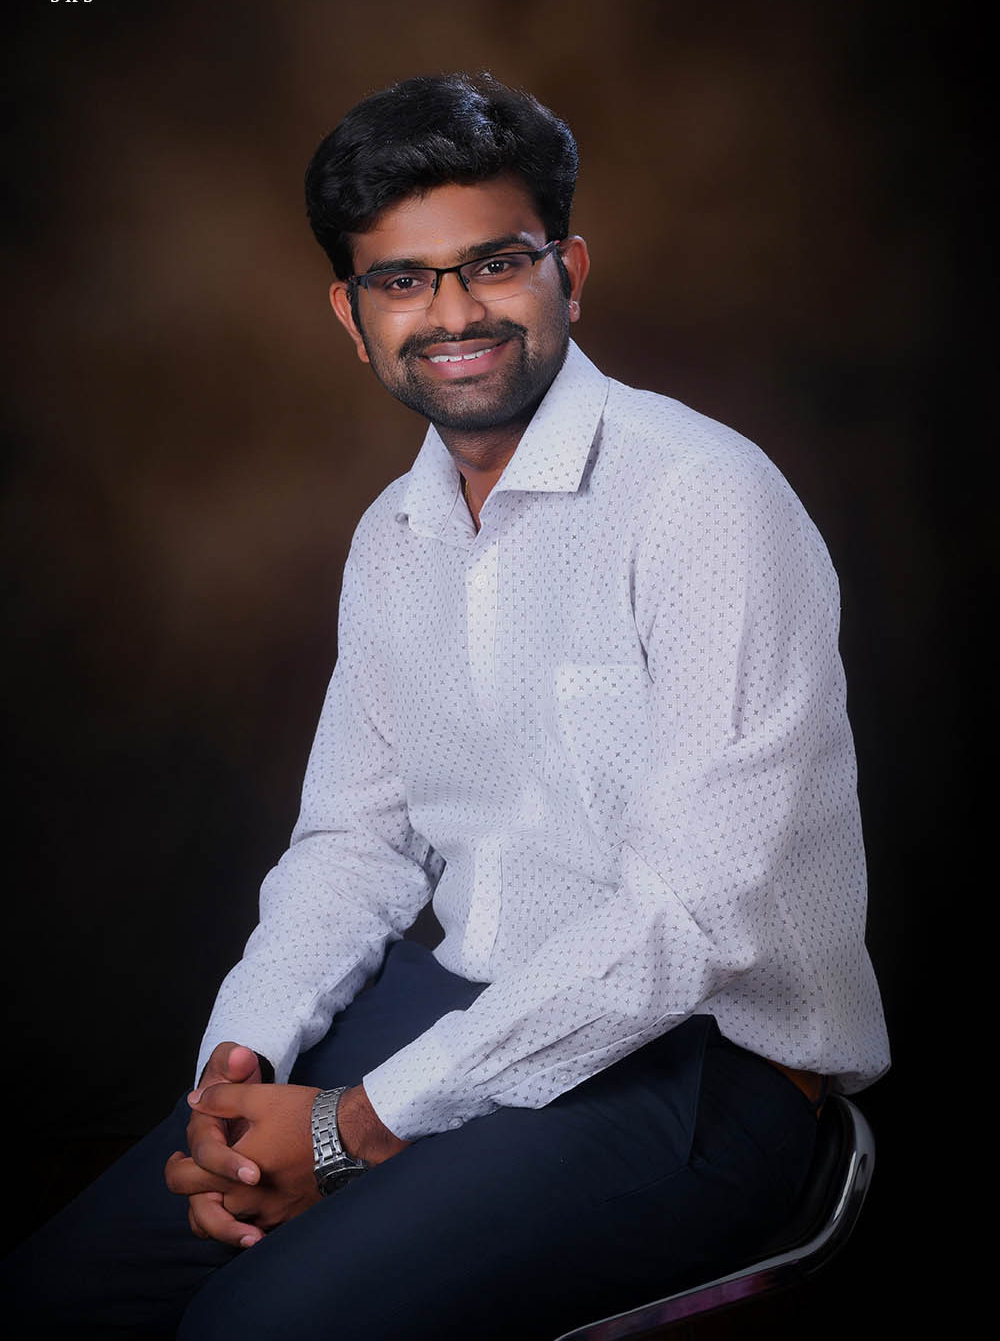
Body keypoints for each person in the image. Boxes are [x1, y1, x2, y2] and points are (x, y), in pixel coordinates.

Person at [5, 72, 890, 1340]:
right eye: (404, 279)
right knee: (52, 1298)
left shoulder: (701, 499)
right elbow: (354, 843)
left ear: (567, 270)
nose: (455, 312)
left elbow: (689, 925)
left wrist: (352, 1124)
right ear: (351, 312)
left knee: (255, 1329)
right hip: (461, 1014)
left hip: (705, 1069)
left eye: (495, 263)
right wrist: (239, 1071)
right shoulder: (395, 538)